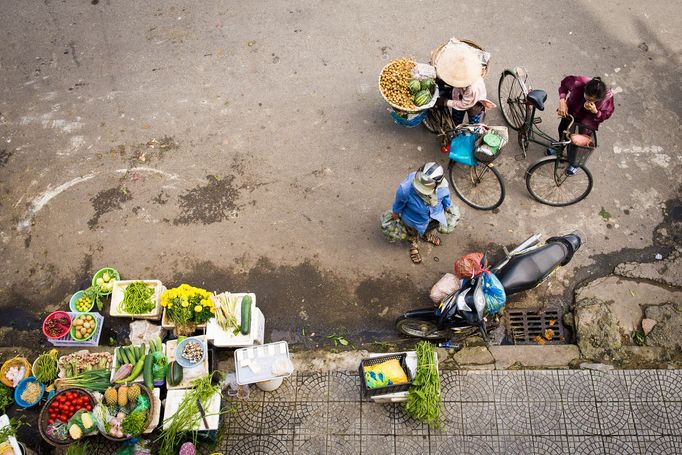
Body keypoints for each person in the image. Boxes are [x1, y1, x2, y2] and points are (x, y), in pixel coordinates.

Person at [391, 162, 454, 264]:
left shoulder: (443, 188)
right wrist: (395, 212)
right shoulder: (405, 189)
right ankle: (413, 245)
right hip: (413, 220)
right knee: (412, 232)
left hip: (434, 217)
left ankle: (426, 235)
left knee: (429, 227)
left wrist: (448, 209)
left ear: (437, 184)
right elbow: (399, 203)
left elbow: (446, 199)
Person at [551, 75, 615, 174]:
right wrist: (562, 101)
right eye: (587, 98)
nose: (588, 101)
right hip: (570, 114)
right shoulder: (579, 82)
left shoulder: (607, 97)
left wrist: (596, 112)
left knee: (579, 144)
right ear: (585, 89)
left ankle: (574, 163)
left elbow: (607, 114)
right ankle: (560, 148)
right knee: (563, 131)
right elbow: (564, 84)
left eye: (593, 100)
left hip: (586, 124)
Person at [433, 45, 496, 125]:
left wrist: (446, 102)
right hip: (459, 96)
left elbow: (463, 104)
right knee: (456, 121)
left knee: (473, 125)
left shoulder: (472, 88)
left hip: (474, 103)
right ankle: (457, 127)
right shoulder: (463, 68)